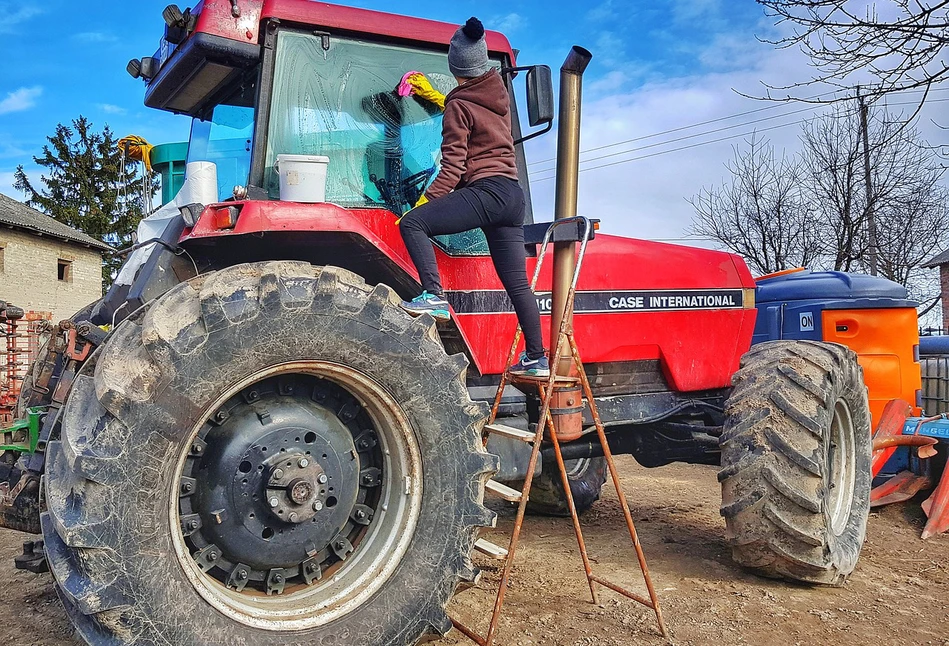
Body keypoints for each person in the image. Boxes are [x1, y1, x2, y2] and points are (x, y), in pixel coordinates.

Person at [397, 17, 548, 377]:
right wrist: (440, 99)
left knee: (414, 224)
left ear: (455, 67)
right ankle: (537, 357)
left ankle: (433, 296)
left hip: (486, 191)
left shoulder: (459, 106)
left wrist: (423, 203)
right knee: (517, 284)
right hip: (512, 196)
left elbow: (451, 168)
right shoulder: (496, 95)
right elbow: (465, 108)